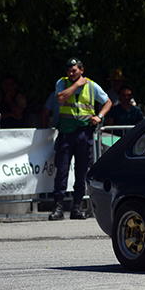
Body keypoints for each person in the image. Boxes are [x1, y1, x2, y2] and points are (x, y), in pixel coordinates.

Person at [50, 57, 112, 221]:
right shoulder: (62, 83)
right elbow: (61, 98)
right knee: (62, 170)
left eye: (74, 70)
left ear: (81, 70)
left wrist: (99, 116)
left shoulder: (92, 85)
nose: (71, 73)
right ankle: (58, 208)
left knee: (81, 172)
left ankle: (76, 208)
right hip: (66, 132)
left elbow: (107, 102)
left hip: (84, 133)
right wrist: (77, 85)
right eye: (69, 71)